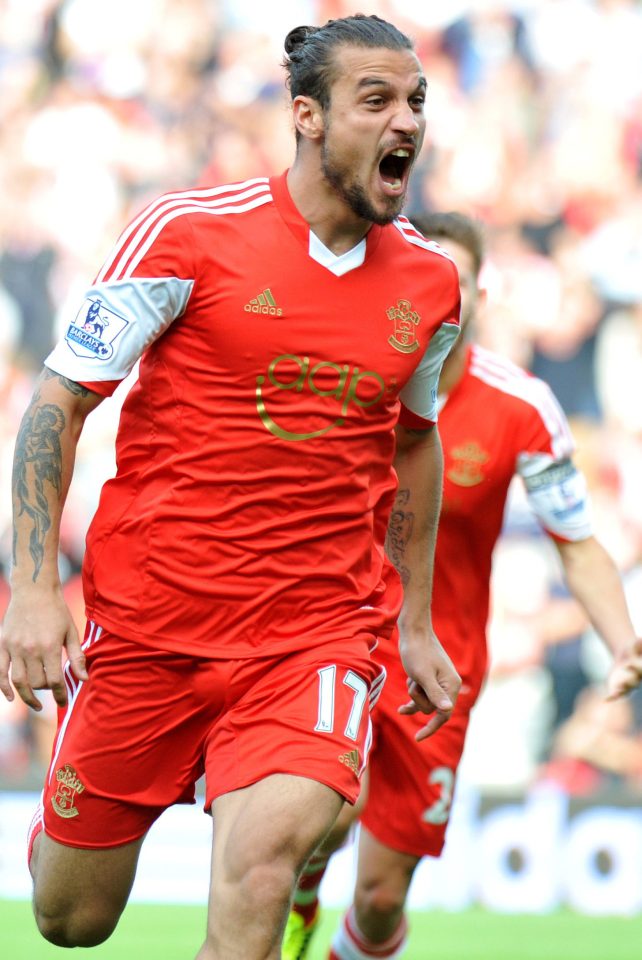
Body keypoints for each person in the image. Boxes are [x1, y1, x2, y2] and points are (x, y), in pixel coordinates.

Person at [0, 16, 464, 960]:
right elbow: (58, 402)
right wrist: (37, 590)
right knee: (69, 920)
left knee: (261, 875)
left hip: (314, 640)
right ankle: (62, 835)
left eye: (415, 101)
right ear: (306, 116)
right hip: (148, 633)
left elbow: (417, 445)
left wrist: (412, 619)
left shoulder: (430, 285)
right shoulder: (186, 234)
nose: (404, 121)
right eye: (375, 100)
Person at [282, 211, 642, 960]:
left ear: (481, 289)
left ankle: (331, 925)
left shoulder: (521, 406)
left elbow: (577, 544)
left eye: (456, 279)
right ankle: (297, 909)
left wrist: (623, 642)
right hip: (331, 643)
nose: (440, 292)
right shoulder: (344, 377)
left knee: (381, 900)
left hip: (440, 671)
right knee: (315, 817)